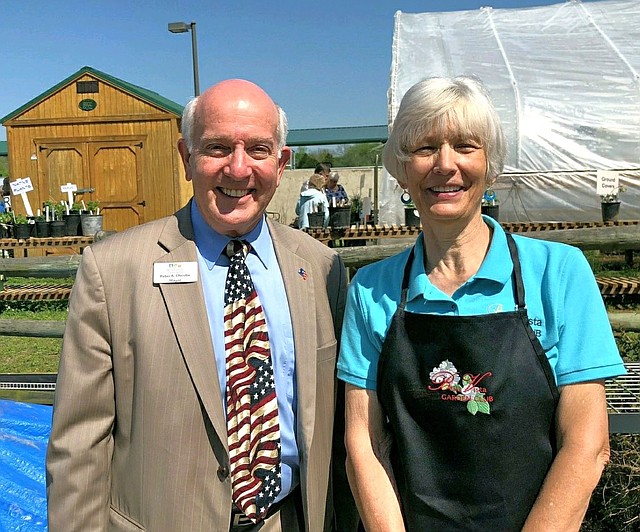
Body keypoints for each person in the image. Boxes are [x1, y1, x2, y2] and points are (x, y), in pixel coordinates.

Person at [47, 79, 353, 532]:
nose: (238, 168)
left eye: (258, 150)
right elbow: (80, 443)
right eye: (217, 147)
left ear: (282, 162)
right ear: (185, 157)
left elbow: (343, 432)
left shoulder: (323, 269)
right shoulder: (113, 272)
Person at [337, 76, 627, 531]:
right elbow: (365, 443)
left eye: (466, 146)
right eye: (425, 147)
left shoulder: (558, 272)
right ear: (401, 166)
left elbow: (587, 444)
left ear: (490, 163)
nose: (445, 165)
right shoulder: (373, 290)